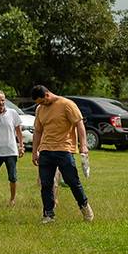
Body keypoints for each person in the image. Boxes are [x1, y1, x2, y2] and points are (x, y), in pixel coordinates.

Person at [30, 85, 93, 223]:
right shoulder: (40, 109)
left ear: (47, 95)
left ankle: (85, 207)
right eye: (38, 104)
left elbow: (79, 124)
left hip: (64, 149)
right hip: (46, 150)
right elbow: (38, 131)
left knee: (72, 181)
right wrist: (35, 151)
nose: (40, 105)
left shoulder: (67, 105)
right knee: (45, 184)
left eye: (41, 101)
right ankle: (48, 214)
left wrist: (83, 145)